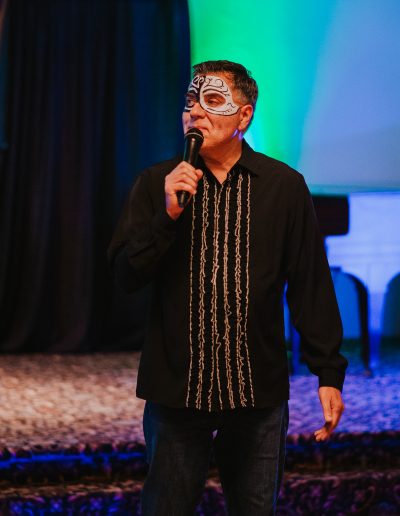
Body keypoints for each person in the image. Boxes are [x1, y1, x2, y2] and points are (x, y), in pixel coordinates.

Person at [108, 60, 347, 515]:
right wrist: (167, 216)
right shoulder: (155, 184)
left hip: (256, 391)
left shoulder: (283, 187)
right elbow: (125, 276)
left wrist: (328, 372)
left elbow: (310, 283)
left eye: (212, 100)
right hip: (178, 391)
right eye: (190, 101)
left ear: (244, 115)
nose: (195, 111)